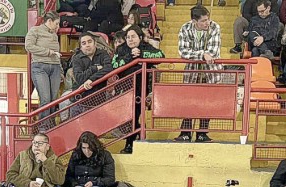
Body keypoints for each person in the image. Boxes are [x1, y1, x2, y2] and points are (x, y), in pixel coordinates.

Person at [111, 25, 164, 154]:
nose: (130, 39)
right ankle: (139, 131)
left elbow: (160, 56)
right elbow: (115, 64)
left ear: (140, 37)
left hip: (141, 90)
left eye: (133, 36)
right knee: (127, 118)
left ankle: (130, 143)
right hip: (123, 89)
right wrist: (130, 56)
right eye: (128, 37)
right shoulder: (121, 49)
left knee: (134, 116)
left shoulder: (146, 47)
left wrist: (142, 55)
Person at [174, 5, 222, 143]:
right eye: (203, 21)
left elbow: (213, 51)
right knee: (189, 101)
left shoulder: (215, 27)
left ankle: (202, 134)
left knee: (207, 103)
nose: (207, 23)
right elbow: (183, 51)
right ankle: (185, 133)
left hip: (210, 72)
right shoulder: (185, 28)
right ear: (195, 22)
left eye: (208, 19)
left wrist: (204, 55)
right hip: (192, 72)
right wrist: (202, 54)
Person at [25, 11, 62, 127]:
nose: (58, 27)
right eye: (56, 24)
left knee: (53, 98)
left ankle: (50, 124)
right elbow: (29, 46)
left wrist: (60, 70)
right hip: (39, 67)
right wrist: (48, 52)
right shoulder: (34, 31)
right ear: (49, 21)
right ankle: (43, 126)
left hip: (55, 67)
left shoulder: (55, 35)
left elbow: (57, 55)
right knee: (45, 98)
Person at [70, 32, 113, 111]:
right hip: (80, 99)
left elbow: (108, 68)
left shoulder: (103, 54)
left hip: (99, 98)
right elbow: (79, 78)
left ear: (95, 43)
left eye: (90, 42)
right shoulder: (76, 58)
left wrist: (91, 80)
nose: (87, 45)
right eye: (84, 43)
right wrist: (94, 69)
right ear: (80, 47)